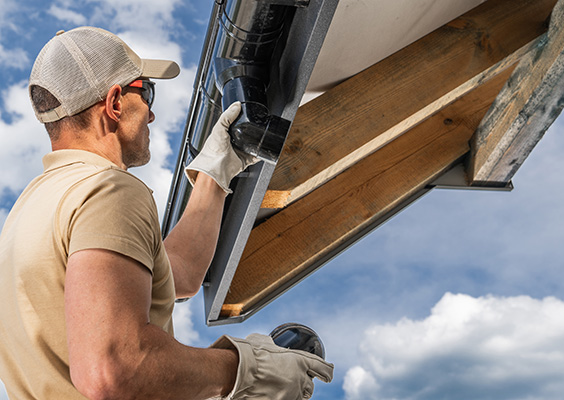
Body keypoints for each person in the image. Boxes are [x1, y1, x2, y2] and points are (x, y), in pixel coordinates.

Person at [0, 26, 333, 400]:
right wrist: (252, 370)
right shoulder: (108, 190)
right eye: (147, 93)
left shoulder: (28, 214)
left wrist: (214, 173)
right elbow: (114, 369)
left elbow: (177, 275)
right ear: (115, 104)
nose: (153, 115)